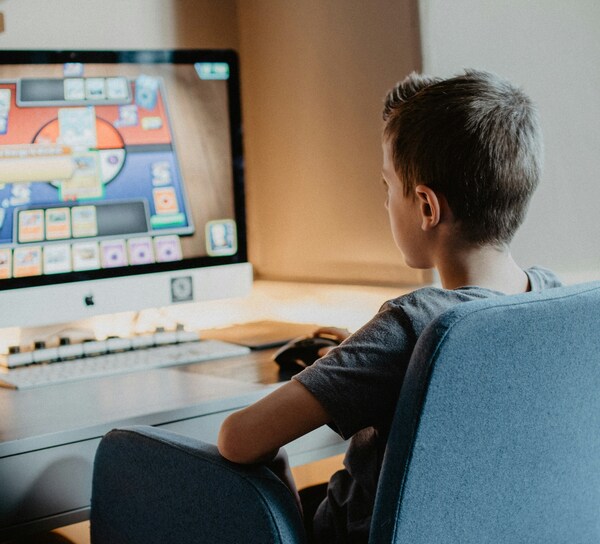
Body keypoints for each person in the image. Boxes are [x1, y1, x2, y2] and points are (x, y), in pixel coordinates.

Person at [217, 69, 562, 543]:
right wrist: (353, 360)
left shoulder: (412, 325)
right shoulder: (555, 299)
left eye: (388, 185)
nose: (385, 202)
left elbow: (240, 439)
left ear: (425, 206)